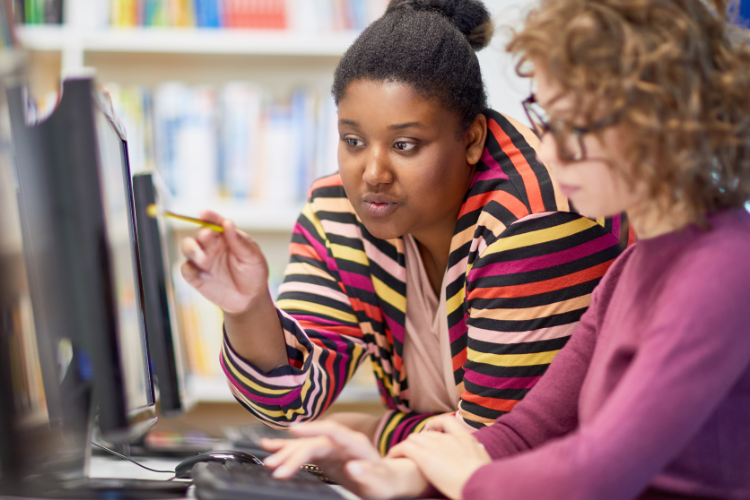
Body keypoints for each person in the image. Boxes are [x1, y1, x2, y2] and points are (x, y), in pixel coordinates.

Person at [260, 0, 750, 498]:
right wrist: (400, 474)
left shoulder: (723, 270)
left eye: (573, 128)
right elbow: (523, 432)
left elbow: (594, 473)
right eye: (545, 117)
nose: (550, 151)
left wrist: (446, 468)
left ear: (662, 123)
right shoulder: (634, 268)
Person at [180, 0, 631, 455]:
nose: (372, 173)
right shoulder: (340, 209)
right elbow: (292, 399)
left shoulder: (532, 222)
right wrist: (247, 309)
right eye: (352, 140)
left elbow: (497, 451)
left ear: (472, 139)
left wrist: (372, 432)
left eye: (405, 144)